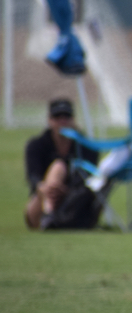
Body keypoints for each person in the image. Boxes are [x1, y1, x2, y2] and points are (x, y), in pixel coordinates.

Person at [24, 98, 98, 229]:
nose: (62, 122)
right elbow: (33, 177)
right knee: (57, 168)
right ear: (49, 120)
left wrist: (67, 191)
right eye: (57, 117)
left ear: (73, 120)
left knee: (58, 168)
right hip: (41, 199)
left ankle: (50, 215)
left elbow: (90, 180)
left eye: (67, 117)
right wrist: (45, 188)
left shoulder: (85, 147)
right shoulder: (37, 146)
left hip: (74, 202)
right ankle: (49, 212)